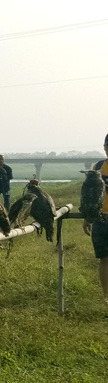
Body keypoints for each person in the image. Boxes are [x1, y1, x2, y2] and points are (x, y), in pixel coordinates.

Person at [83, 133, 108, 310]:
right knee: (104, 260)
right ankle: (107, 297)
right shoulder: (98, 167)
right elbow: (88, 196)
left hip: (101, 217)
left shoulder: (98, 168)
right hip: (101, 217)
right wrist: (87, 218)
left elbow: (88, 196)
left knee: (105, 260)